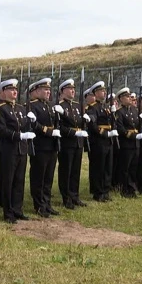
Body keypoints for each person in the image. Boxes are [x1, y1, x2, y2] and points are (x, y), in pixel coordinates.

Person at [0, 79, 33, 223]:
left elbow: (23, 126)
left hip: (21, 149)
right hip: (8, 149)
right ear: (3, 92)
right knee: (8, 181)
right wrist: (19, 135)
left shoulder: (20, 108)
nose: (14, 92)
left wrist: (31, 122)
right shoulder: (0, 109)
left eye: (15, 89)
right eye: (11, 89)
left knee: (19, 181)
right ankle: (8, 212)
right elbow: (2, 130)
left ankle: (18, 209)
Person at [27, 78, 61, 216]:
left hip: (52, 146)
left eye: (49, 90)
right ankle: (39, 205)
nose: (48, 92)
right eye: (45, 90)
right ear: (36, 91)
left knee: (48, 177)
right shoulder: (32, 106)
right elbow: (33, 125)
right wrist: (49, 131)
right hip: (40, 146)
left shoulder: (50, 105)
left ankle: (47, 203)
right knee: (38, 177)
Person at [57, 79, 88, 208]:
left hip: (78, 143)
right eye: (70, 89)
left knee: (75, 171)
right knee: (66, 170)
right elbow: (60, 127)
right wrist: (73, 133)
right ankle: (66, 197)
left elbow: (79, 122)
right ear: (63, 91)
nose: (73, 91)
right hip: (67, 142)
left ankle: (75, 196)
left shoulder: (77, 106)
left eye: (73, 88)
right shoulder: (60, 106)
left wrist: (85, 121)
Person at [85, 81, 116, 203]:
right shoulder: (92, 108)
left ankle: (105, 190)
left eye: (105, 91)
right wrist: (105, 133)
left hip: (108, 141)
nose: (104, 93)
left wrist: (113, 114)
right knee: (99, 167)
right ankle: (98, 192)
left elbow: (111, 123)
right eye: (102, 91)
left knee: (108, 167)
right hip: (98, 141)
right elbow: (93, 125)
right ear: (96, 93)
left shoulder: (105, 108)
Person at [114, 87, 142, 198]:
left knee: (133, 167)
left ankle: (132, 188)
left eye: (129, 96)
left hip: (135, 144)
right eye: (127, 97)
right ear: (121, 99)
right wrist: (134, 135)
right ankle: (124, 189)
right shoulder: (119, 112)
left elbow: (137, 125)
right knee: (125, 168)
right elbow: (121, 129)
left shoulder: (134, 110)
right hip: (126, 144)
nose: (129, 98)